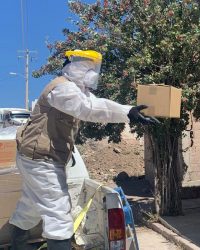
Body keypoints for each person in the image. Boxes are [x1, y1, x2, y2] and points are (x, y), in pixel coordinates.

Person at [8, 50, 158, 250]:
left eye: (94, 68)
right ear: (73, 65)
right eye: (88, 67)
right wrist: (127, 112)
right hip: (40, 159)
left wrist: (127, 111)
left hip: (37, 157)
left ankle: (17, 246)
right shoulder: (61, 89)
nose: (93, 73)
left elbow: (93, 103)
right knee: (58, 212)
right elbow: (88, 109)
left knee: (30, 206)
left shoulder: (74, 90)